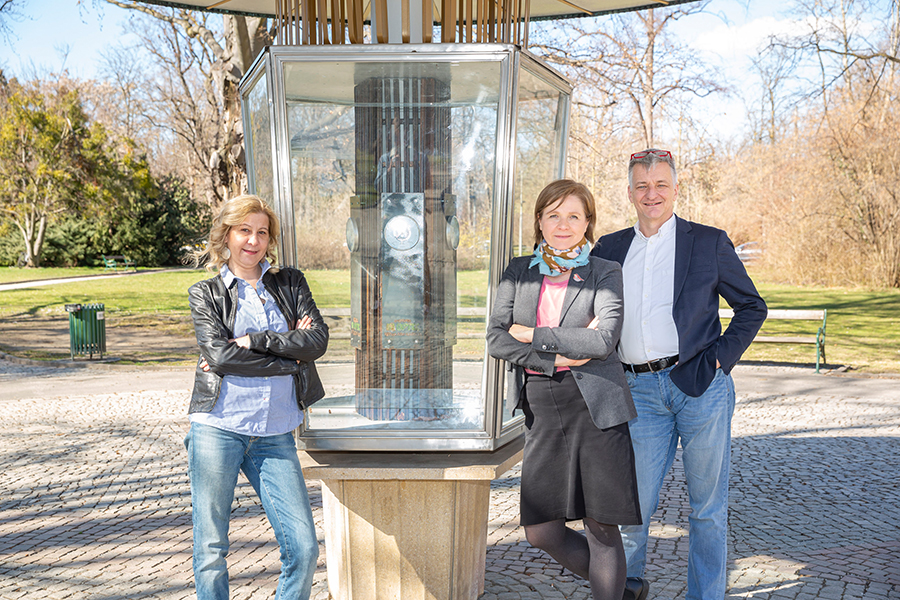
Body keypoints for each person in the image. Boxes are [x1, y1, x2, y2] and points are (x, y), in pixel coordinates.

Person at [592, 149, 767, 600]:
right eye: (643, 186)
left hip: (700, 388)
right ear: (630, 192)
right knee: (632, 507)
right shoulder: (609, 248)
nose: (652, 194)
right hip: (637, 392)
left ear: (675, 189)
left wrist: (719, 359)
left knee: (707, 509)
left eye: (661, 185)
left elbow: (751, 307)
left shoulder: (707, 241)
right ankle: (625, 590)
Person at [487, 179, 643, 599]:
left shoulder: (605, 272)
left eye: (573, 215)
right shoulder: (518, 272)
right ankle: (624, 593)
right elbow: (496, 338)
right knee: (541, 529)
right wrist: (558, 356)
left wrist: (533, 333)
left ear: (588, 222)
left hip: (596, 406)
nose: (563, 224)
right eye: (553, 215)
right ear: (539, 220)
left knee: (601, 525)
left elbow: (603, 340)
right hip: (542, 405)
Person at [185, 194, 329, 600]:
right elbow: (221, 356)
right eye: (244, 230)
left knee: (303, 546)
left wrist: (258, 341)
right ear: (226, 235)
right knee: (211, 548)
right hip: (219, 429)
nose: (253, 240)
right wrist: (288, 354)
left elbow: (316, 341)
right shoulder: (206, 294)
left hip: (275, 432)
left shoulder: (290, 283)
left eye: (262, 232)